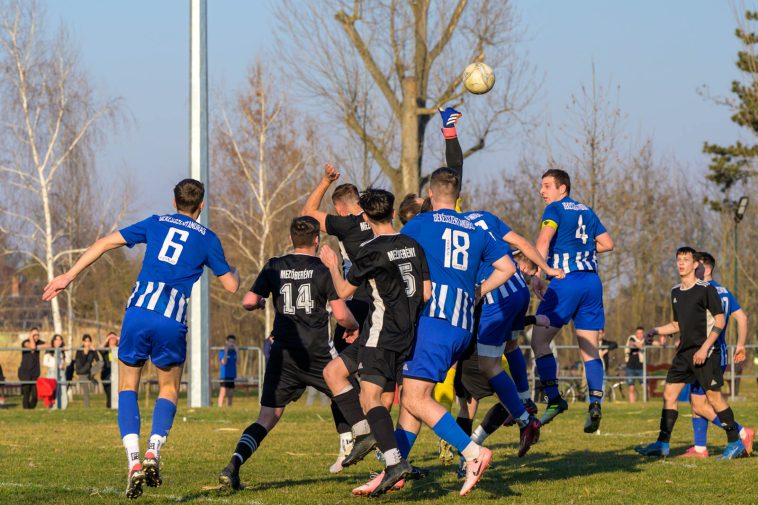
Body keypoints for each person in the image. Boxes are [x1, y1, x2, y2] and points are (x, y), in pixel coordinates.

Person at [43, 178, 240, 499]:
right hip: (171, 318)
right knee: (168, 387)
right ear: (201, 206)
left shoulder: (155, 222)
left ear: (173, 202)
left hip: (138, 311)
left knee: (127, 387)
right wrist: (237, 271)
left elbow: (104, 243)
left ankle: (133, 461)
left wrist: (68, 276)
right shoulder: (208, 239)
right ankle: (153, 450)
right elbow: (231, 286)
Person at [397, 166, 518, 497]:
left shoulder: (420, 224)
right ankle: (393, 468)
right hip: (463, 324)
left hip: (434, 320)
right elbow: (508, 267)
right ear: (457, 195)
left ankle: (473, 454)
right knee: (412, 397)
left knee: (414, 397)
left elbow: (396, 258)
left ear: (431, 195)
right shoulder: (475, 228)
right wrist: (479, 290)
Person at [217, 216, 359, 492]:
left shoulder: (274, 265)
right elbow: (341, 315)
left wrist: (259, 302)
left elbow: (248, 301)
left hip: (284, 355)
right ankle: (382, 458)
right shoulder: (323, 268)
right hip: (317, 353)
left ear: (292, 239)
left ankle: (234, 463)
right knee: (351, 396)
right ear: (317, 241)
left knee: (267, 418)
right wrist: (354, 327)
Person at [319, 188, 430, 496]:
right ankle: (365, 433)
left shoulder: (369, 250)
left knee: (370, 399)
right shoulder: (412, 244)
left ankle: (393, 462)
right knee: (334, 373)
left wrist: (331, 264)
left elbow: (343, 292)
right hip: (401, 333)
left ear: (366, 217)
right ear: (392, 213)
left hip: (382, 334)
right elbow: (426, 293)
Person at [635, 247, 750, 459]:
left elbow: (720, 321)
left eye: (685, 260)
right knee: (669, 395)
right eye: (678, 260)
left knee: (714, 399)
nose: (681, 263)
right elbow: (676, 324)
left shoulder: (707, 289)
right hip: (685, 354)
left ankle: (735, 441)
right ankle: (662, 444)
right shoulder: (675, 292)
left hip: (707, 353)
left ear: (695, 264)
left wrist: (705, 349)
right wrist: (655, 330)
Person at [301, 163, 379, 469]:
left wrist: (324, 180)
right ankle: (382, 444)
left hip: (358, 303)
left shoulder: (345, 224)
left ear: (339, 209)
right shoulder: (379, 220)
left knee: (334, 372)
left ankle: (350, 436)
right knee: (378, 381)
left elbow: (307, 213)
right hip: (388, 307)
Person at [530, 169, 614, 433]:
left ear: (562, 188)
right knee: (589, 347)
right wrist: (584, 249)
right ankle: (595, 402)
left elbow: (543, 242)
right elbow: (607, 243)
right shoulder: (587, 211)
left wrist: (538, 273)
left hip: (566, 282)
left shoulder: (554, 209)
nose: (542, 191)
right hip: (591, 283)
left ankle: (554, 399)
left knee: (539, 341)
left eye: (546, 186)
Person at [680, 252, 753, 458]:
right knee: (696, 401)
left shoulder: (705, 291)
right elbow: (742, 317)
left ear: (708, 269)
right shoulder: (724, 290)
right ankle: (700, 447)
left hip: (709, 353)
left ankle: (739, 431)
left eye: (697, 265)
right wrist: (740, 344)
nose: (693, 268)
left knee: (705, 402)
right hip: (708, 353)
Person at [18, 327, 48, 409]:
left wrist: (37, 346)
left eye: (38, 335)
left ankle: (30, 409)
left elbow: (49, 345)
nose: (36, 336)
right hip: (24, 372)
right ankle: (26, 410)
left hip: (35, 373)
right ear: (30, 335)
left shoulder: (38, 342)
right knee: (26, 393)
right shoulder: (25, 342)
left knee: (35, 395)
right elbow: (32, 346)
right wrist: (31, 338)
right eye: (34, 335)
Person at [74, 334, 101, 408]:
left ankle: (91, 376)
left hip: (89, 372)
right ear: (83, 342)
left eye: (89, 341)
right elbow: (81, 363)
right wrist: (85, 353)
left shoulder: (92, 351)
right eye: (86, 341)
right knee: (86, 392)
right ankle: (87, 408)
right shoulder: (79, 351)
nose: (87, 343)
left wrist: (94, 351)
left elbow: (98, 361)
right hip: (82, 373)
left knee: (101, 363)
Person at [43, 334, 68, 409]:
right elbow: (45, 362)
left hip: (61, 372)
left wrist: (67, 351)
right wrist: (55, 365)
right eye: (56, 339)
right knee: (52, 390)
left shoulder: (62, 350)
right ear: (53, 341)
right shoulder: (50, 350)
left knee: (62, 390)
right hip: (52, 372)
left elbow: (68, 361)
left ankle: (63, 407)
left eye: (60, 340)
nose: (58, 341)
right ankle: (52, 407)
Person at [625, 327, 646, 403]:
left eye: (641, 333)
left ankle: (646, 402)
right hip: (630, 367)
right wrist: (639, 345)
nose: (640, 335)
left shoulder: (645, 340)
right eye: (638, 333)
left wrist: (661, 344)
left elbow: (654, 343)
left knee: (645, 386)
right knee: (631, 387)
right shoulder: (632, 338)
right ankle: (632, 403)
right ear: (635, 334)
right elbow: (631, 343)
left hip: (641, 367)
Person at [218, 335, 238, 408]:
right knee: (223, 393)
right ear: (226, 342)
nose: (231, 343)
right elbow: (224, 362)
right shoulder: (222, 351)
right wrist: (226, 352)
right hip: (224, 375)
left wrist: (237, 352)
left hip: (232, 375)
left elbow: (238, 362)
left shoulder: (234, 352)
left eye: (233, 342)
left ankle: (229, 408)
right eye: (230, 341)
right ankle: (220, 407)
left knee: (230, 394)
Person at [102, 332, 119, 409]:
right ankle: (109, 408)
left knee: (117, 394)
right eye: (110, 339)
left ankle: (117, 408)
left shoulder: (120, 349)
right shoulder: (105, 350)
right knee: (109, 394)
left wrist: (119, 338)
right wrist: (106, 340)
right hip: (107, 374)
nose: (112, 340)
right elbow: (100, 349)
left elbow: (128, 346)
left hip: (118, 374)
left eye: (114, 339)